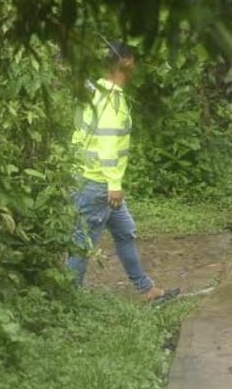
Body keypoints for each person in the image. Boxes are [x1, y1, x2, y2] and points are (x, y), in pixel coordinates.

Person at [67, 42, 174, 303]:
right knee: (83, 243)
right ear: (126, 62)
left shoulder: (94, 92)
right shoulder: (111, 100)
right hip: (98, 183)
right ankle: (69, 300)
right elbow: (106, 144)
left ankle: (145, 289)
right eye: (133, 61)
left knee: (125, 231)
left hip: (93, 179)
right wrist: (113, 184)